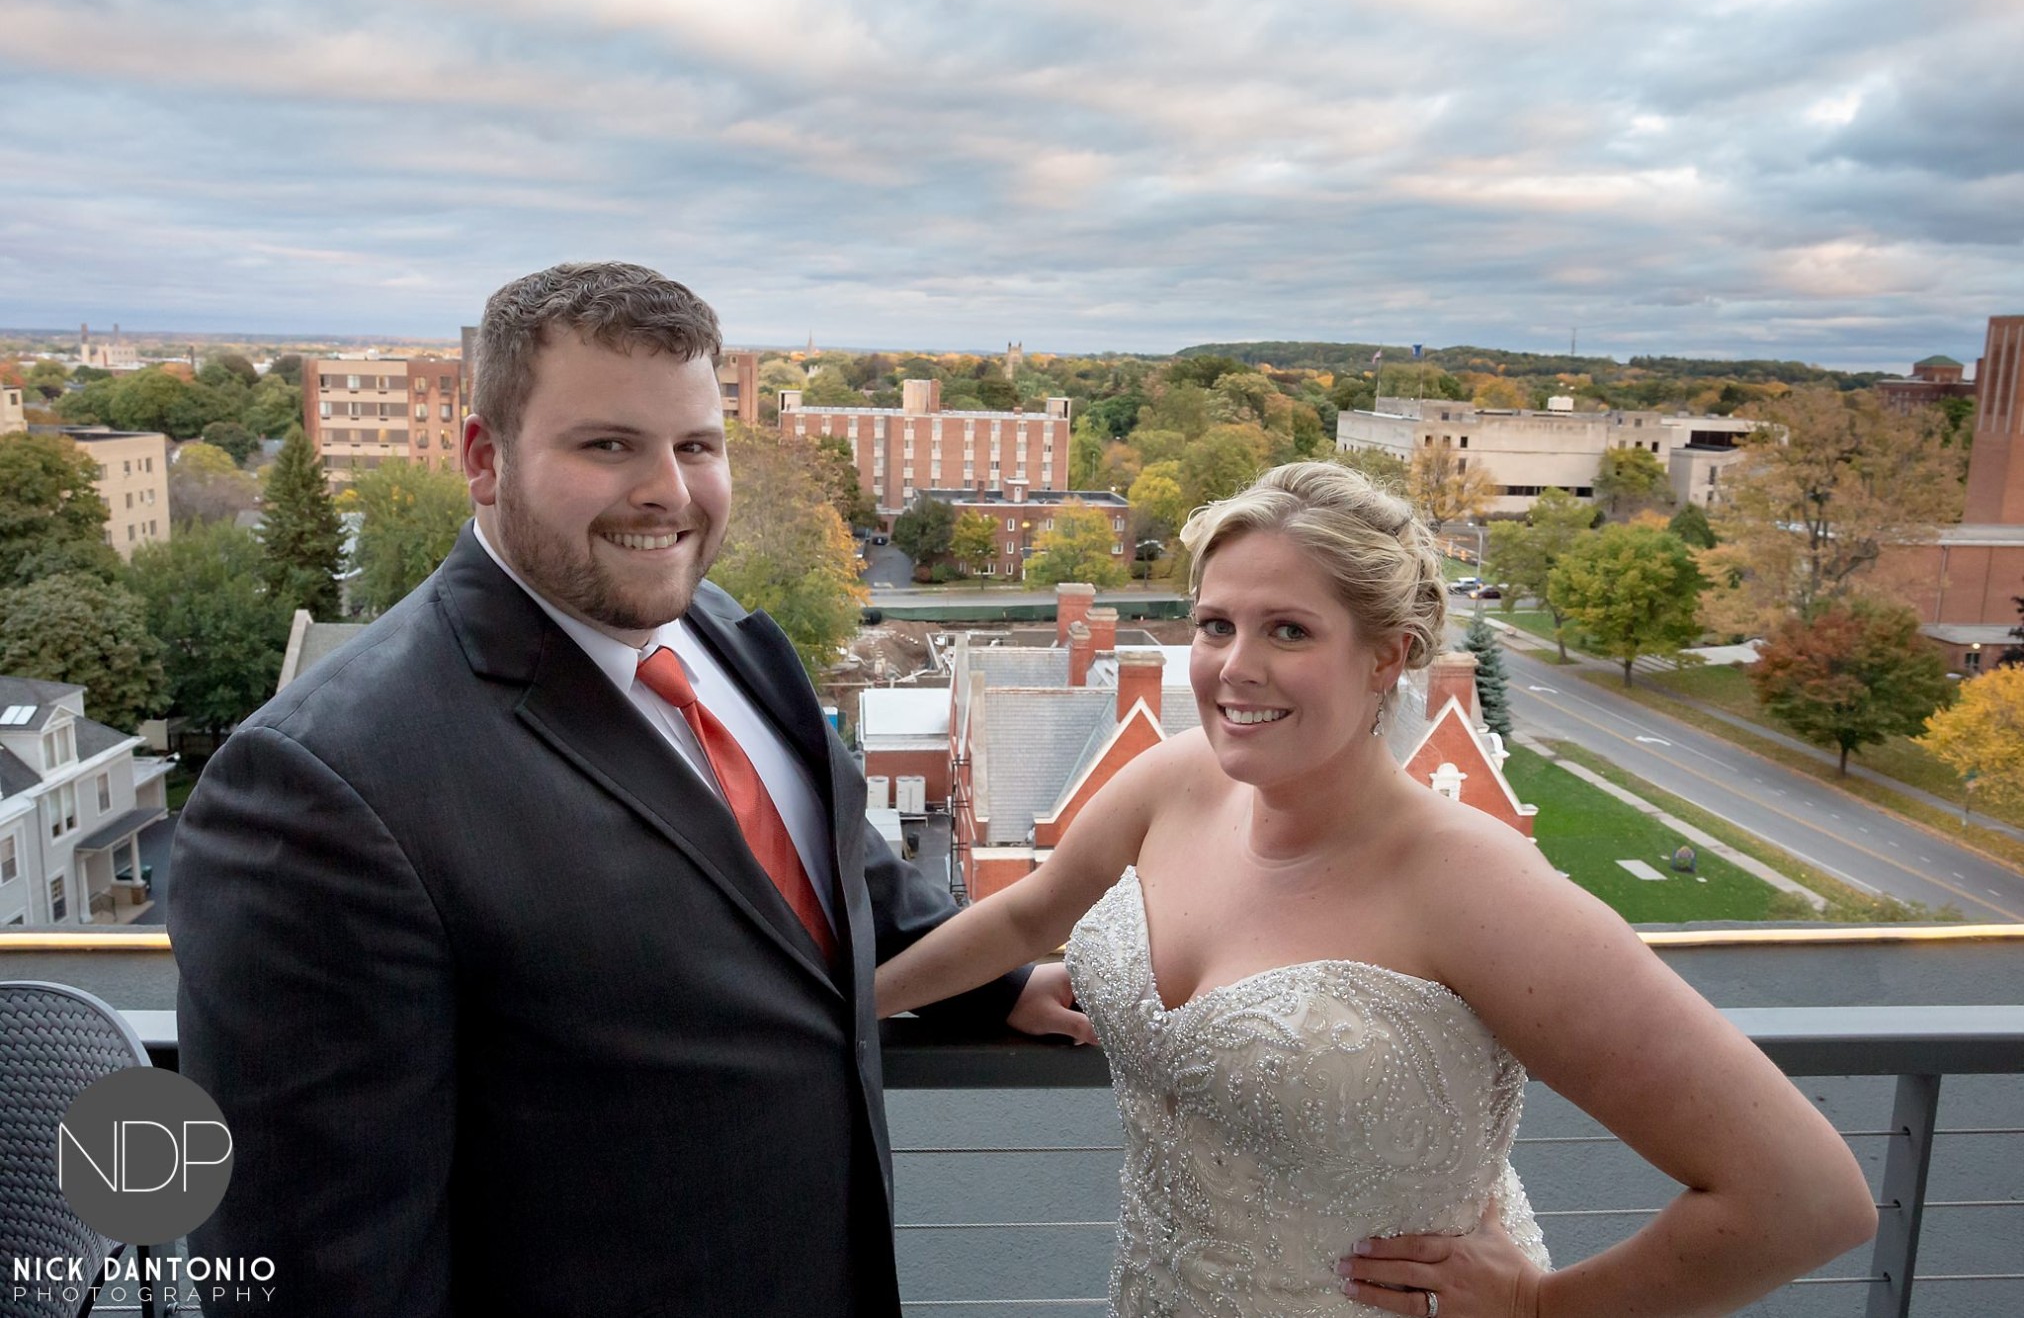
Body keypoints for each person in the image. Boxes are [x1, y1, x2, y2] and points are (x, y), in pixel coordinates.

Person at [170, 262, 1083, 1317]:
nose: (669, 490)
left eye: (696, 444)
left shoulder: (722, 633)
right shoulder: (318, 783)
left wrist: (999, 981)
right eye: (608, 444)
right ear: (483, 456)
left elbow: (833, 877)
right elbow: (318, 1267)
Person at [875, 461, 1876, 1318]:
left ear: (1387, 654)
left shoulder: (1474, 885)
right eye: (1214, 623)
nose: (1234, 667)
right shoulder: (1170, 779)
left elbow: (1801, 1195)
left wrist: (1540, 1304)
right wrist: (850, 1003)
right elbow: (1022, 913)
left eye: (1288, 631)